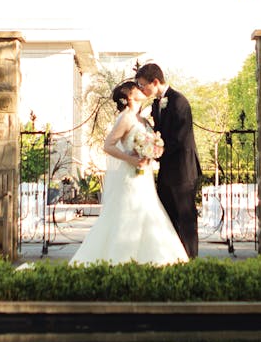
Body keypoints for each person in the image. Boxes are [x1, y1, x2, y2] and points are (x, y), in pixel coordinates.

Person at [70, 80, 189, 265]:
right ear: (129, 96)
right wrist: (131, 158)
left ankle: (151, 260)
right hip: (131, 175)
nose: (141, 89)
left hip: (145, 175)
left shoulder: (142, 119)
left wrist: (154, 150)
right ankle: (120, 259)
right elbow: (108, 145)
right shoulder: (126, 118)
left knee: (148, 214)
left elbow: (152, 140)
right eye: (137, 88)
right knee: (128, 214)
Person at [137, 63, 202, 258]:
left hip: (183, 170)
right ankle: (172, 258)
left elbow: (179, 138)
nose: (141, 89)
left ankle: (191, 259)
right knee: (167, 217)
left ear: (155, 82)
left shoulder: (179, 101)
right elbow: (159, 132)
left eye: (143, 85)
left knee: (186, 219)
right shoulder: (157, 103)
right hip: (166, 171)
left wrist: (157, 150)